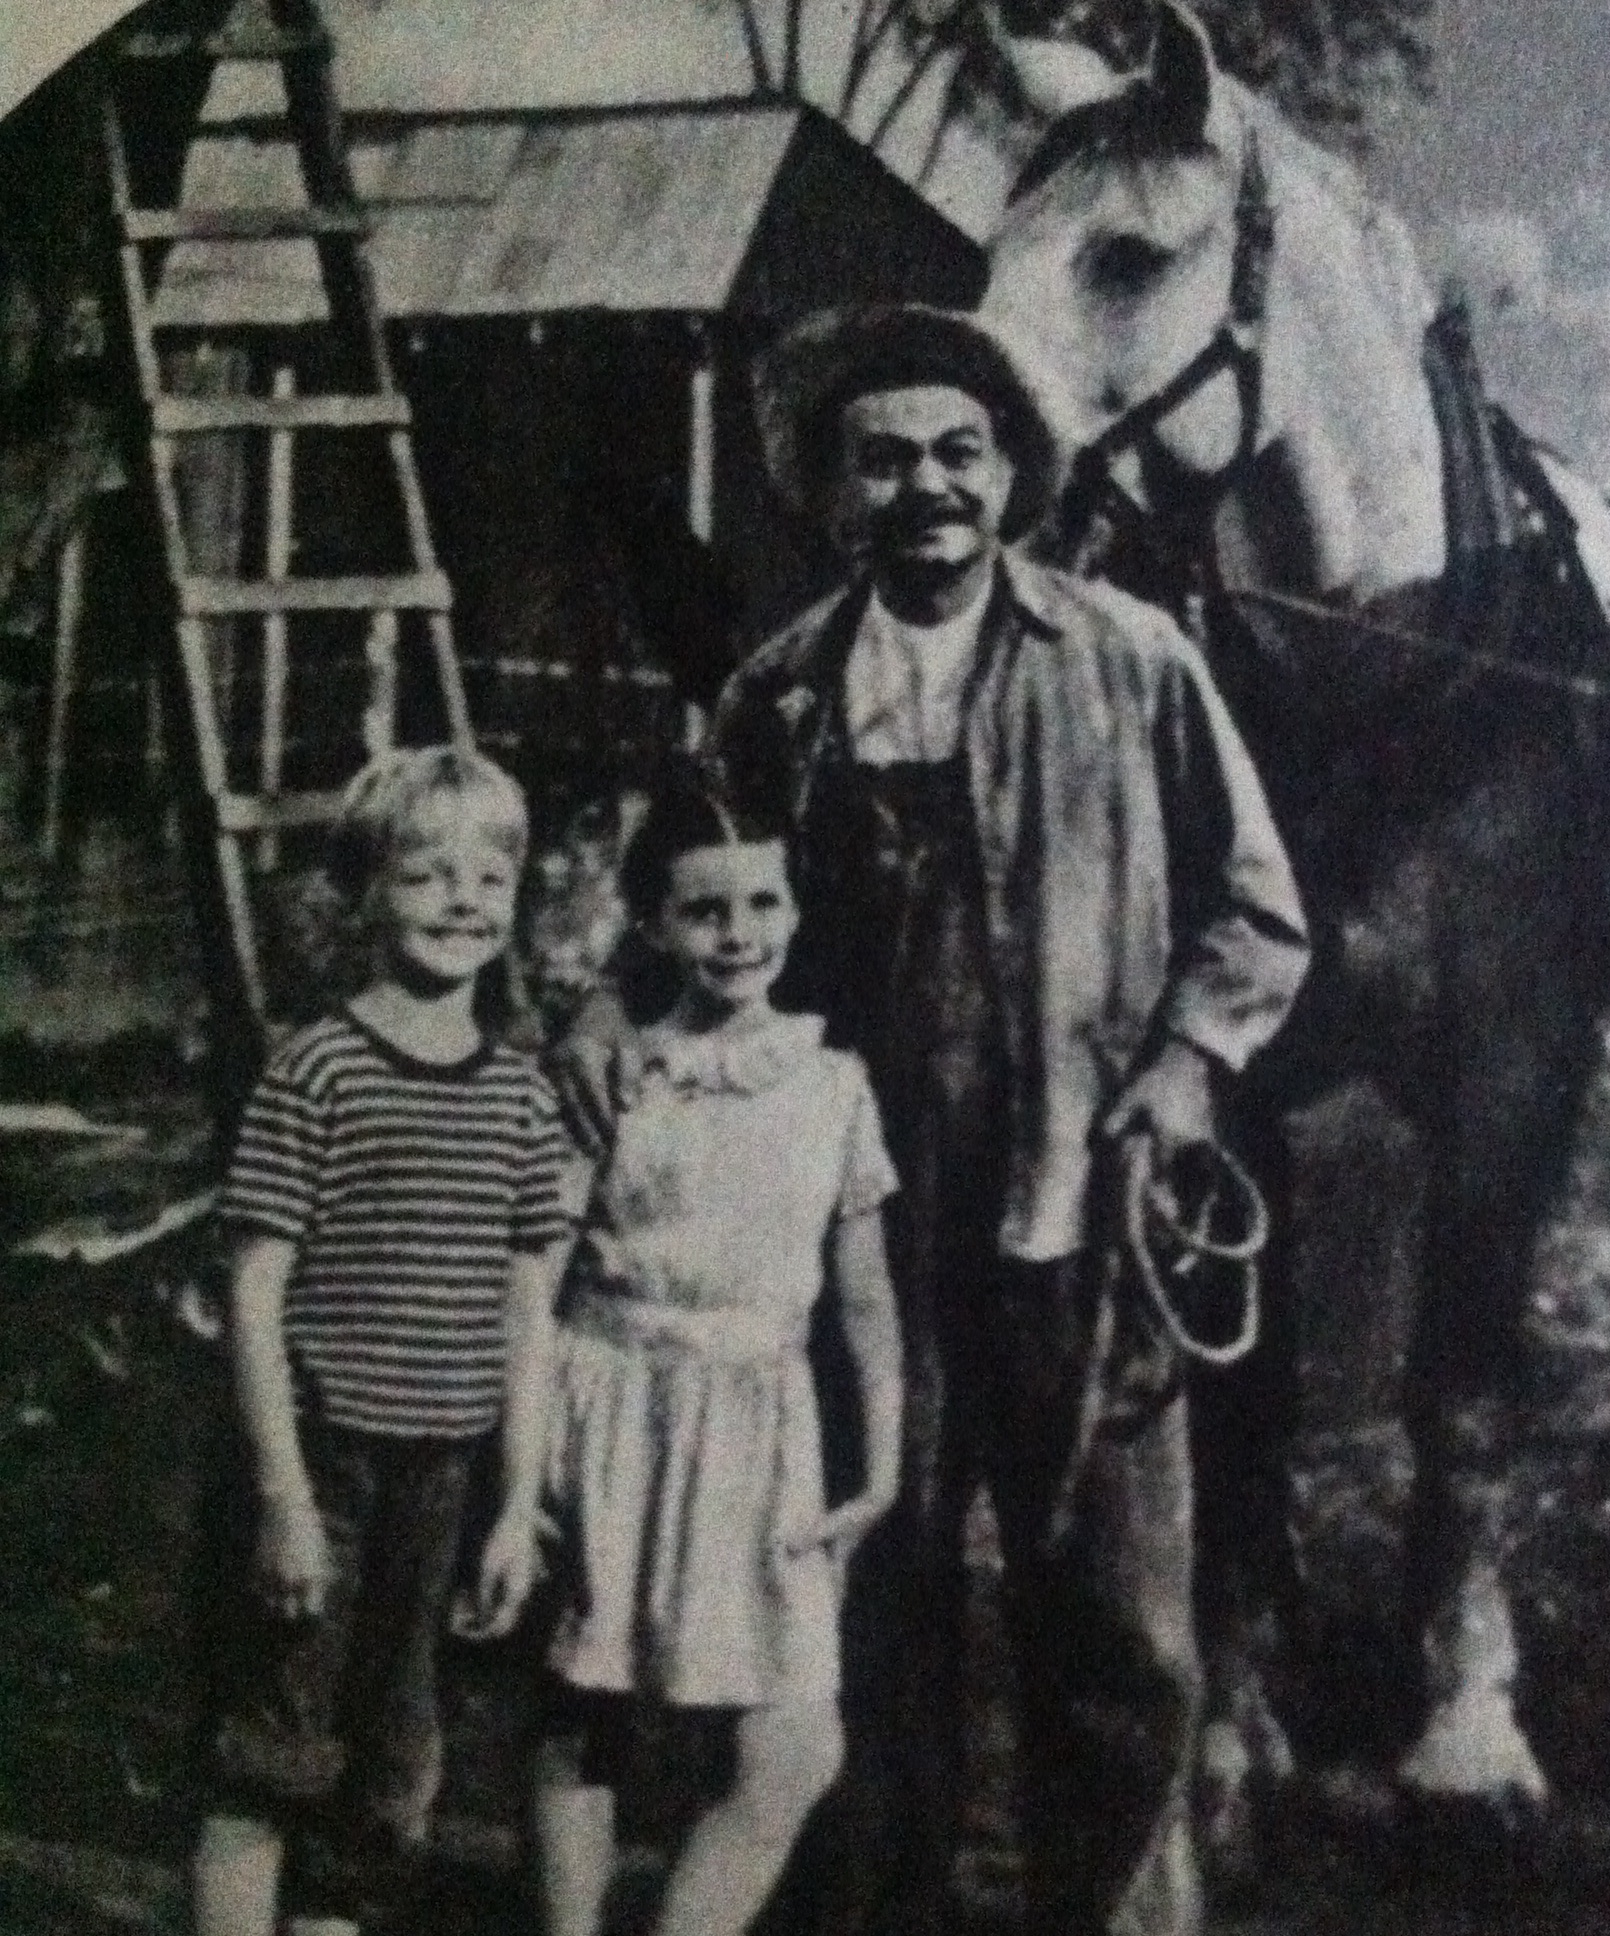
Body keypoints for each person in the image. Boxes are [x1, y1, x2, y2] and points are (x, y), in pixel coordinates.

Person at [568, 304, 1309, 1936]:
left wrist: (1180, 1075)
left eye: (957, 452)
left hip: (1078, 1199)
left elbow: (1255, 916)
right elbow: (692, 926)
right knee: (862, 1598)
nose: (926, 488)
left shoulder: (1129, 661)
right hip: (851, 1232)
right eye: (884, 458)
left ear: (1010, 474)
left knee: (1122, 1627)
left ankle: (1104, 1906)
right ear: (834, 493)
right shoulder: (777, 698)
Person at [192, 746, 574, 1936]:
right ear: (363, 894)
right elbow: (255, 1294)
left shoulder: (521, 1097)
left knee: (392, 1770)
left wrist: (517, 1506)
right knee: (272, 1756)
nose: (464, 899)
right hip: (324, 1459)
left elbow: (528, 1315)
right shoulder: (316, 1070)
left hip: (446, 1476)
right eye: (425, 874)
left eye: (490, 875)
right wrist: (284, 1496)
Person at [533, 766, 905, 1936]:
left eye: (760, 905)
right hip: (605, 1400)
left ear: (796, 914)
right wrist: (522, 1461)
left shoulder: (835, 1086)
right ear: (650, 926)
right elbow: (534, 1277)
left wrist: (880, 1468)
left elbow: (865, 1302)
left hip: (763, 1425)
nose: (736, 934)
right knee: (577, 1708)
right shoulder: (617, 1076)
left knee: (794, 1743)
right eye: (702, 910)